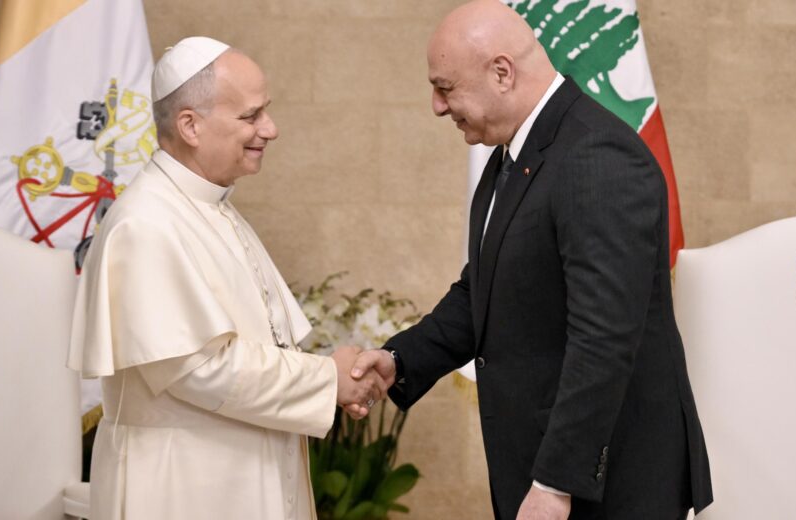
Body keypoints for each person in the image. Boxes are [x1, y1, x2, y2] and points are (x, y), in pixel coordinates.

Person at [350, 2, 713, 519]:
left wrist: (555, 483)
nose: (436, 105)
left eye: (445, 86)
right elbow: (487, 290)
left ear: (502, 72)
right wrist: (399, 360)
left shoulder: (597, 157)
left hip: (608, 486)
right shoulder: (517, 153)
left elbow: (603, 338)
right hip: (554, 471)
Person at [68, 37, 383, 520]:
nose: (270, 129)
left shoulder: (210, 206)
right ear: (191, 125)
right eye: (251, 116)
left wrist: (333, 377)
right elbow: (200, 369)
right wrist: (327, 379)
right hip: (185, 487)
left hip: (237, 472)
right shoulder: (146, 224)